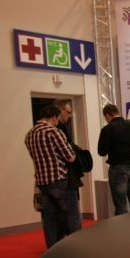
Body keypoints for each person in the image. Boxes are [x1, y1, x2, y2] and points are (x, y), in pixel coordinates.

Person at [25, 104, 79, 248]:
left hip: (42, 183)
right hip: (60, 181)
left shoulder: (30, 134)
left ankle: (53, 250)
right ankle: (74, 248)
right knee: (69, 217)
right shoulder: (53, 132)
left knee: (49, 219)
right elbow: (70, 157)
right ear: (54, 117)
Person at [53, 99, 93, 235]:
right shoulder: (57, 132)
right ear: (59, 111)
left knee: (61, 215)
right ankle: (75, 240)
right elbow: (69, 156)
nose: (70, 116)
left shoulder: (56, 130)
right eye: (68, 112)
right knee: (71, 213)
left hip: (59, 179)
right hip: (66, 178)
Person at [97, 103, 130, 214]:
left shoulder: (107, 130)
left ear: (107, 115)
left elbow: (101, 152)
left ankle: (123, 226)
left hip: (118, 169)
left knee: (121, 205)